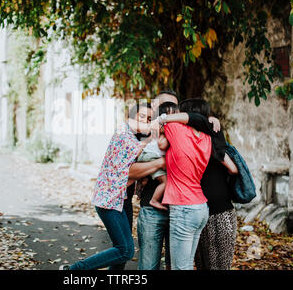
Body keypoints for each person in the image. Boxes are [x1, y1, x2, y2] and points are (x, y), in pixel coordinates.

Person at [60, 102, 161, 270]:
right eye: (141, 116)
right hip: (109, 201)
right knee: (126, 250)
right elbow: (136, 141)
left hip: (123, 200)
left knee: (120, 254)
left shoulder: (137, 138)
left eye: (150, 118)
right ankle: (73, 270)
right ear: (132, 117)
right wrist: (154, 126)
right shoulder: (123, 132)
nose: (146, 121)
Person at [132, 90, 222, 270]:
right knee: (150, 266)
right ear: (156, 108)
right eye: (165, 108)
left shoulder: (180, 130)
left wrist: (211, 120)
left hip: (181, 207)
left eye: (175, 108)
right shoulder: (142, 132)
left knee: (178, 264)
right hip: (154, 210)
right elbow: (129, 172)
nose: (170, 113)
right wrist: (160, 163)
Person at [179, 99, 239, 270]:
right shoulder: (200, 139)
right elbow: (233, 169)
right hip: (208, 212)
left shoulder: (209, 136)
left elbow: (232, 169)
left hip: (213, 213)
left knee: (209, 265)